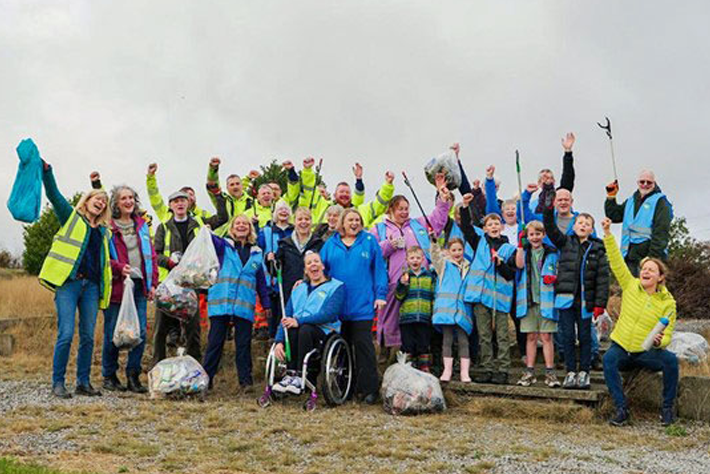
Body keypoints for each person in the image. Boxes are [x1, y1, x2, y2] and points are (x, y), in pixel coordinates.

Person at [39, 160, 112, 398]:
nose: (100, 202)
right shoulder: (70, 217)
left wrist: (100, 186)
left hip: (91, 287)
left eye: (104, 201)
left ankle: (83, 382)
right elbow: (54, 194)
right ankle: (58, 383)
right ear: (86, 200)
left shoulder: (103, 231)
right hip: (69, 284)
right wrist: (48, 173)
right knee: (66, 333)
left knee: (89, 336)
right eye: (96, 198)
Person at [601, 218, 678, 426]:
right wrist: (608, 233)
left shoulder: (668, 303)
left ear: (660, 277)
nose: (645, 271)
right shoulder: (630, 285)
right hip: (622, 348)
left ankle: (667, 408)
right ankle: (621, 408)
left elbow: (668, 333)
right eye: (644, 268)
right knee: (608, 360)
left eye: (651, 270)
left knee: (671, 360)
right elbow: (616, 261)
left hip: (645, 352)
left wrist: (660, 341)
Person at [372, 176, 451, 356]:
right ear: (391, 209)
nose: (404, 212)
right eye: (400, 209)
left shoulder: (418, 224)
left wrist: (442, 197)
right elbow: (373, 253)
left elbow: (438, 220)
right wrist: (390, 245)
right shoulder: (379, 229)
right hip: (391, 283)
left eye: (407, 209)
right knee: (390, 323)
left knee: (416, 322)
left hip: (419, 283)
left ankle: (416, 359)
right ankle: (388, 357)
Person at [152, 184, 228, 366]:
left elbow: (224, 217)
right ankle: (157, 368)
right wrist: (169, 262)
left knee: (193, 329)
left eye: (183, 200)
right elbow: (156, 254)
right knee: (161, 329)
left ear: (189, 203)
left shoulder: (200, 223)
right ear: (170, 205)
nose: (180, 204)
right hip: (169, 285)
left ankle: (195, 368)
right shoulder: (163, 227)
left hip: (191, 284)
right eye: (176, 201)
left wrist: (218, 195)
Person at [320, 208, 388, 404]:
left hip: (362, 306)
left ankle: (368, 390)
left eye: (357, 220)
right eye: (350, 220)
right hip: (337, 307)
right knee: (341, 348)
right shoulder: (331, 243)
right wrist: (307, 283)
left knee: (363, 347)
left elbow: (379, 270)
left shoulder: (369, 241)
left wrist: (380, 295)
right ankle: (344, 388)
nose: (354, 223)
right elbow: (320, 269)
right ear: (342, 222)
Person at [543, 191, 609, 390]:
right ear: (574, 226)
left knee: (585, 337)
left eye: (587, 224)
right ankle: (570, 371)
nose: (582, 226)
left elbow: (602, 279)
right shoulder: (565, 243)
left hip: (586, 302)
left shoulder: (598, 249)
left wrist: (600, 304)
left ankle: (584, 372)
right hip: (565, 299)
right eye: (579, 223)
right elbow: (550, 228)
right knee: (567, 337)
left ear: (591, 229)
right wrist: (548, 209)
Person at [203, 214, 271, 390]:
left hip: (243, 304)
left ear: (250, 229)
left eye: (245, 224)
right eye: (238, 224)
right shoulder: (223, 247)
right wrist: (206, 228)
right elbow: (209, 238)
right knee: (215, 343)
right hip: (221, 302)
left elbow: (261, 281)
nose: (241, 226)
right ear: (232, 228)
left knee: (243, 344)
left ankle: (245, 382)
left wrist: (266, 303)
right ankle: (206, 379)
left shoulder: (256, 253)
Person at [102, 182, 158, 393]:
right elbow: (104, 259)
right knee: (113, 332)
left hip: (139, 285)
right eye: (123, 198)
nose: (128, 202)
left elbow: (151, 255)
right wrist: (118, 268)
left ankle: (133, 376)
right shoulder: (107, 227)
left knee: (140, 332)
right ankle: (109, 375)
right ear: (116, 203)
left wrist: (153, 283)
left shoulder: (142, 225)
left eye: (131, 198)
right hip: (117, 286)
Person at [460, 196, 517, 385]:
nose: (493, 226)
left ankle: (503, 369)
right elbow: (467, 228)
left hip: (500, 299)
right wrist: (465, 207)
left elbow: (511, 274)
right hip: (480, 297)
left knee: (502, 335)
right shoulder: (479, 243)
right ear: (484, 228)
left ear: (501, 227)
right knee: (483, 335)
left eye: (496, 223)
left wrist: (500, 264)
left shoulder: (509, 249)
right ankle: (486, 367)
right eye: (489, 224)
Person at [272, 252, 345, 394]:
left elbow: (329, 314)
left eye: (316, 261)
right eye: (309, 263)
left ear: (323, 266)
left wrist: (298, 321)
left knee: (303, 328)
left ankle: (300, 376)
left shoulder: (336, 287)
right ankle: (290, 374)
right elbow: (286, 317)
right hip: (299, 329)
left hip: (324, 332)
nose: (313, 265)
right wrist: (279, 341)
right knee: (293, 329)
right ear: (305, 270)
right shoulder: (298, 289)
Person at [514, 221, 561, 388]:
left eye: (538, 234)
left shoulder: (552, 253)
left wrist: (554, 277)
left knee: (547, 337)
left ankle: (550, 372)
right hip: (528, 301)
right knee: (531, 336)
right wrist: (520, 245)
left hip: (546, 301)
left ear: (543, 235)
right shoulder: (525, 252)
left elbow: (557, 270)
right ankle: (529, 371)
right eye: (531, 235)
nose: (534, 237)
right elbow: (518, 265)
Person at [604, 170, 673, 277]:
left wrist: (651, 259)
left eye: (649, 182)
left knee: (649, 292)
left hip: (649, 258)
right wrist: (611, 196)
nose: (645, 185)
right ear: (638, 183)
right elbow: (614, 215)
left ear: (654, 183)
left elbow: (661, 233)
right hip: (629, 256)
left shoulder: (661, 202)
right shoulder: (631, 201)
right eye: (642, 182)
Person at [295, 158, 395, 228]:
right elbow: (309, 191)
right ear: (334, 195)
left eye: (347, 192)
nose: (344, 194)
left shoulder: (361, 211)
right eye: (341, 192)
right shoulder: (323, 206)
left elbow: (380, 203)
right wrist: (308, 171)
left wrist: (388, 185)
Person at [431, 238, 472, 382]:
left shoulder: (469, 266)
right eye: (453, 250)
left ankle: (464, 372)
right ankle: (447, 371)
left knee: (463, 340)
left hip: (462, 309)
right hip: (446, 310)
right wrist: (434, 243)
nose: (457, 253)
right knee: (447, 340)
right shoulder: (444, 266)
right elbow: (435, 256)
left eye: (459, 250)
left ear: (463, 251)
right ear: (449, 252)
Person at [395, 246, 436, 372]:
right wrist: (402, 285)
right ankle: (407, 370)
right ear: (407, 260)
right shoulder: (405, 277)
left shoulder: (429, 277)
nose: (415, 260)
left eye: (418, 258)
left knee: (423, 344)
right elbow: (398, 296)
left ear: (423, 259)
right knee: (408, 345)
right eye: (412, 258)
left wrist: (432, 312)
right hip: (407, 318)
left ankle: (424, 369)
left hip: (424, 317)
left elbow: (433, 295)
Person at [274, 207, 324, 307]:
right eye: (300, 219)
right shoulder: (284, 244)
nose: (303, 222)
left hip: (312, 290)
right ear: (294, 222)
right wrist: (270, 260)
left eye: (307, 219)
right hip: (288, 292)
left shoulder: (319, 243)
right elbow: (276, 271)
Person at [257, 201, 294, 339]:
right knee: (273, 314)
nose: (283, 212)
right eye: (280, 209)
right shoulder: (266, 231)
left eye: (286, 209)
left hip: (289, 278)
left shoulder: (294, 231)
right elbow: (258, 251)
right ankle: (274, 342)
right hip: (272, 280)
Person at [146, 162, 212, 224]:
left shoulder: (204, 215)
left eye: (191, 194)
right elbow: (154, 196)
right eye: (185, 196)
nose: (189, 197)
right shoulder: (166, 213)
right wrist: (151, 177)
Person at [205, 157, 255, 235]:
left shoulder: (252, 202)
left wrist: (248, 179)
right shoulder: (222, 200)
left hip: (246, 238)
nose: (235, 186)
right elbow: (212, 185)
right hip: (225, 238)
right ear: (227, 188)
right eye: (231, 185)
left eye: (237, 184)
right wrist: (213, 169)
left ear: (242, 186)